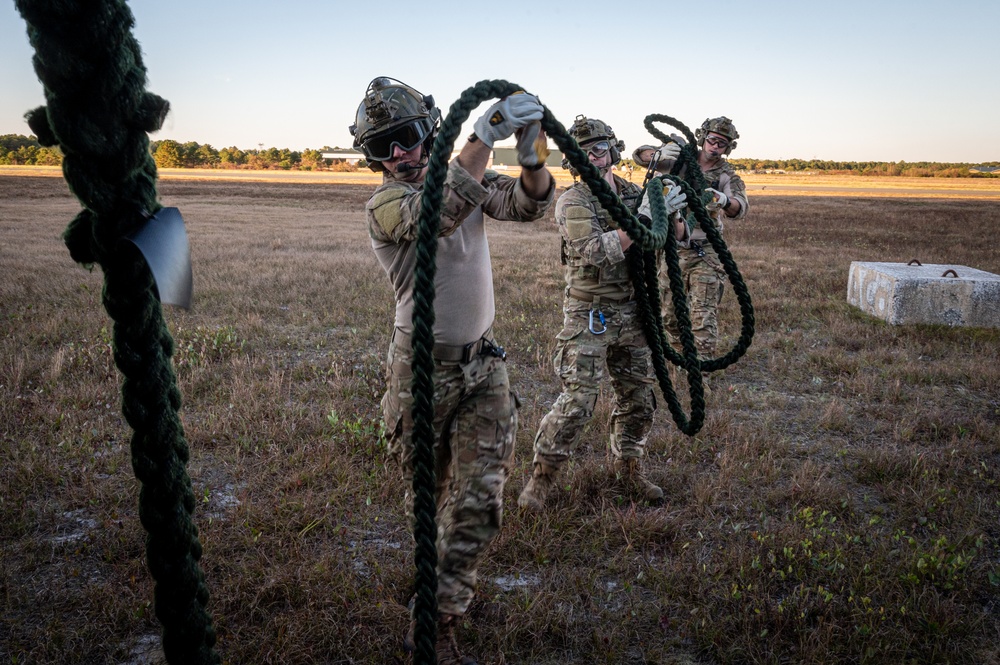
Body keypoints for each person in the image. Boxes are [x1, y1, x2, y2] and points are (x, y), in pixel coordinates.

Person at [349, 77, 554, 665]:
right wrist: (484, 135)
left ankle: (435, 623)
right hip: (420, 374)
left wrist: (531, 145)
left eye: (408, 137)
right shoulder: (386, 204)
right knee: (434, 503)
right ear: (372, 158)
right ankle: (436, 587)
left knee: (477, 505)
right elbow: (435, 214)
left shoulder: (467, 176)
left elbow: (526, 202)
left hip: (484, 368)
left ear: (428, 131)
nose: (400, 155)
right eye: (383, 147)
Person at [518, 115, 688, 511]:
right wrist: (645, 216)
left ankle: (629, 470)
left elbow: (672, 239)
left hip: (633, 310)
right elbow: (596, 249)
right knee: (578, 402)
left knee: (639, 399)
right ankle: (541, 481)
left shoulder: (634, 192)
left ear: (612, 150)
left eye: (600, 148)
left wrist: (673, 210)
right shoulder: (573, 202)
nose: (594, 157)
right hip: (589, 313)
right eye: (584, 151)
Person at [633, 117, 749, 389]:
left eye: (722, 143)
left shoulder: (726, 175)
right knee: (670, 315)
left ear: (728, 147)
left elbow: (740, 207)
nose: (715, 147)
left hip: (704, 250)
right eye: (712, 140)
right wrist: (656, 153)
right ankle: (680, 366)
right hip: (672, 248)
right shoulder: (680, 159)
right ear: (702, 137)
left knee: (701, 315)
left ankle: (701, 377)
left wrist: (722, 199)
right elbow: (641, 156)